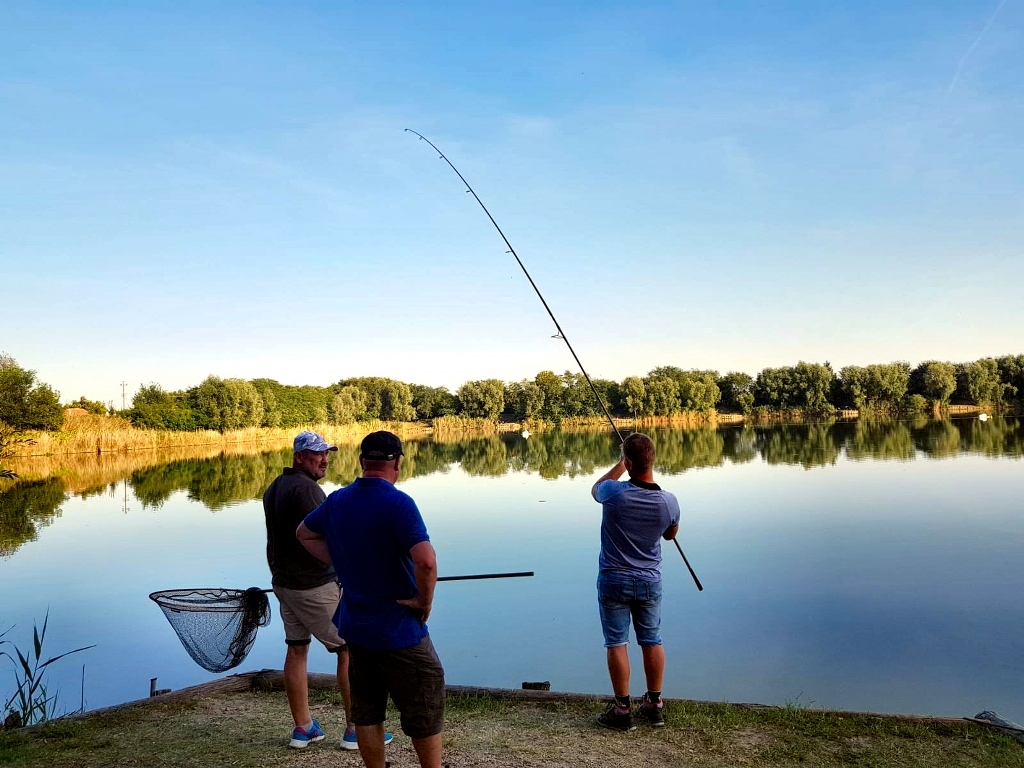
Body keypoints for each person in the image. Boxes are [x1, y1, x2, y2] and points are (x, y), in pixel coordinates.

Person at [297, 430, 445, 768]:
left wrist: (341, 561)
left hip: (356, 628)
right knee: (425, 702)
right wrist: (424, 602)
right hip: (398, 629)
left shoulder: (336, 500)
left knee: (367, 709)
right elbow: (426, 561)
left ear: (363, 462)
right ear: (398, 463)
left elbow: (303, 533)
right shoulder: (398, 503)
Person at [264, 431, 391, 750]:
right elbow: (332, 539)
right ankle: (355, 730)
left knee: (296, 649)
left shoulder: (274, 487)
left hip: (284, 584)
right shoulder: (308, 491)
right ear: (298, 457)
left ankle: (303, 727)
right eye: (316, 454)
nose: (324, 459)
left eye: (326, 453)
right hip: (314, 586)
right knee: (349, 650)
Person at [590, 432, 680, 731]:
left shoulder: (614, 493)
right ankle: (654, 706)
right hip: (649, 581)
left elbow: (595, 488)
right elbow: (670, 534)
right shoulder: (669, 501)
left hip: (614, 579)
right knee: (652, 639)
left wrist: (619, 465)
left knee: (617, 642)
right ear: (652, 459)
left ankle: (622, 710)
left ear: (628, 462)